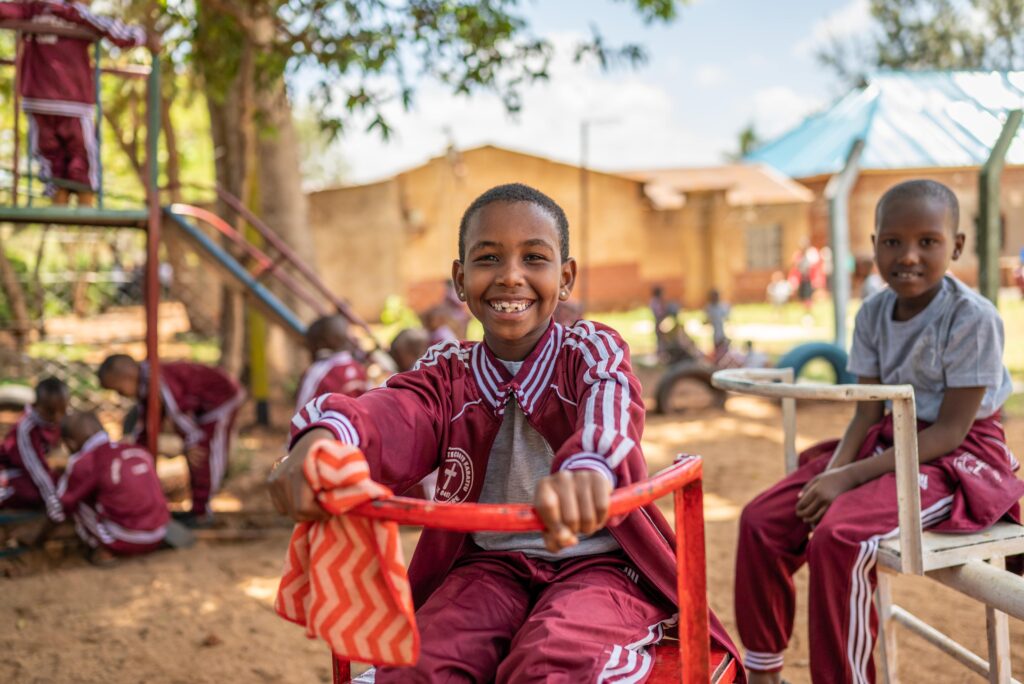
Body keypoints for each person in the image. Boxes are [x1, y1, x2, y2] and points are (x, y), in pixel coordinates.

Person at [269, 183, 742, 682]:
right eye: (488, 258)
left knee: (550, 665)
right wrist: (326, 439)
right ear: (460, 278)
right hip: (487, 565)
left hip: (598, 566)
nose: (510, 277)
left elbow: (612, 405)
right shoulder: (447, 371)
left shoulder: (589, 350)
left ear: (565, 278)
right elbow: (395, 412)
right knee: (418, 668)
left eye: (534, 258)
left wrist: (589, 467)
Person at [734, 180, 1023, 683]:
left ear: (956, 246)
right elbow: (866, 413)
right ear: (874, 246)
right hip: (888, 440)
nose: (907, 256)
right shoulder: (872, 312)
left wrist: (846, 481)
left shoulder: (972, 317)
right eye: (892, 241)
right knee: (761, 519)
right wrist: (836, 470)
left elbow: (952, 432)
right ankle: (764, 670)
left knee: (840, 538)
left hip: (955, 457)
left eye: (927, 242)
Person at [0, 0, 147, 206]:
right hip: (72, 100)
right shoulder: (74, 12)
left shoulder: (32, 9)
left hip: (40, 100)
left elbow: (5, 10)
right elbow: (116, 32)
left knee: (51, 155)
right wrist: (143, 36)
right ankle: (81, 202)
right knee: (78, 153)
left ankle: (63, 199)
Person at [97, 354, 245, 526]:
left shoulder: (159, 380)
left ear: (128, 376)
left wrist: (191, 442)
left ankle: (202, 512)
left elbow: (177, 412)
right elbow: (149, 421)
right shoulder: (146, 383)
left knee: (203, 453)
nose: (120, 395)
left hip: (220, 401)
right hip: (202, 407)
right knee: (198, 451)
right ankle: (198, 509)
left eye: (119, 390)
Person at [58, 411, 170, 563]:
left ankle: (101, 547)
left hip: (126, 541)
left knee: (76, 500)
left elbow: (63, 503)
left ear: (69, 443)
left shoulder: (85, 461)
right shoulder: (137, 450)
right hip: (160, 533)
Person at [0, 377, 68, 521]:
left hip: (39, 473)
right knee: (31, 493)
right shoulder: (26, 429)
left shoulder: (61, 422)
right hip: (14, 475)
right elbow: (36, 470)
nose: (56, 417)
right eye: (50, 412)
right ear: (36, 405)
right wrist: (55, 506)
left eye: (61, 411)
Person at [295, 314, 369, 411]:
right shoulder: (359, 369)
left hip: (326, 425)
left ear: (321, 344)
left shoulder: (317, 372)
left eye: (310, 346)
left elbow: (301, 413)